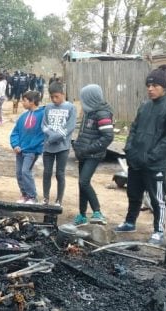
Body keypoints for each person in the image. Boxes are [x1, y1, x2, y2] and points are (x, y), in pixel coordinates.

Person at [116, 65, 166, 245]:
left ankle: (158, 231)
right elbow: (134, 128)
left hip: (155, 164)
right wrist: (129, 149)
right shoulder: (145, 106)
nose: (150, 89)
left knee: (157, 199)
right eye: (148, 85)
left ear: (164, 87)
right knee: (133, 194)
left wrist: (151, 157)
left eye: (154, 86)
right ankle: (130, 222)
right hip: (136, 161)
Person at [72, 84, 114, 225]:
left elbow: (107, 137)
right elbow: (84, 132)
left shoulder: (102, 113)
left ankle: (97, 212)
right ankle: (82, 215)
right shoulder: (88, 112)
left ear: (91, 98)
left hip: (94, 155)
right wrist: (77, 146)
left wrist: (88, 149)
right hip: (83, 153)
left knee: (84, 181)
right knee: (81, 184)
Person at [41, 82, 76, 206]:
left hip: (63, 147)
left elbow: (70, 126)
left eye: (57, 96)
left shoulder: (70, 107)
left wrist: (54, 137)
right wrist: (50, 136)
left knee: (60, 173)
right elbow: (44, 125)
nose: (54, 99)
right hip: (48, 146)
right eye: (52, 97)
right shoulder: (48, 108)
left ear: (63, 94)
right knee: (47, 172)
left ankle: (58, 200)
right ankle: (45, 198)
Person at [10, 91, 45, 204]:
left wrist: (30, 146)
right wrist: (15, 145)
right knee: (19, 172)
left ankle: (32, 196)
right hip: (20, 150)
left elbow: (41, 135)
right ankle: (24, 194)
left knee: (25, 171)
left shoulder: (42, 115)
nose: (22, 103)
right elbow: (15, 132)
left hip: (32, 151)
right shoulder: (23, 117)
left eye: (24, 100)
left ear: (32, 101)